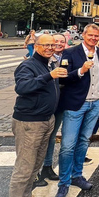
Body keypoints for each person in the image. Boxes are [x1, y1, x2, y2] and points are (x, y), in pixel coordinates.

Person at [5, 34, 67, 197]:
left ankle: (26, 196)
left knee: (36, 163)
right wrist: (49, 76)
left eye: (52, 45)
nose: (50, 47)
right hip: (29, 122)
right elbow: (23, 87)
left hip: (45, 119)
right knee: (24, 165)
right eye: (46, 45)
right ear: (36, 46)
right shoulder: (28, 65)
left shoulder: (49, 64)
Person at [53, 24, 99, 197]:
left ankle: (77, 175)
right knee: (68, 146)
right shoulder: (71, 53)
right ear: (84, 35)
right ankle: (63, 184)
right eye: (91, 35)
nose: (94, 38)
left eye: (97, 36)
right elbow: (63, 76)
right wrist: (81, 71)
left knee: (84, 141)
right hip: (76, 105)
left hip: (95, 104)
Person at [34, 33, 68, 187]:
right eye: (56, 42)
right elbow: (25, 85)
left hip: (58, 103)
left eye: (61, 42)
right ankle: (34, 173)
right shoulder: (42, 60)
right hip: (42, 106)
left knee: (52, 136)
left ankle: (47, 166)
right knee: (37, 140)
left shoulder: (67, 57)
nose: (58, 44)